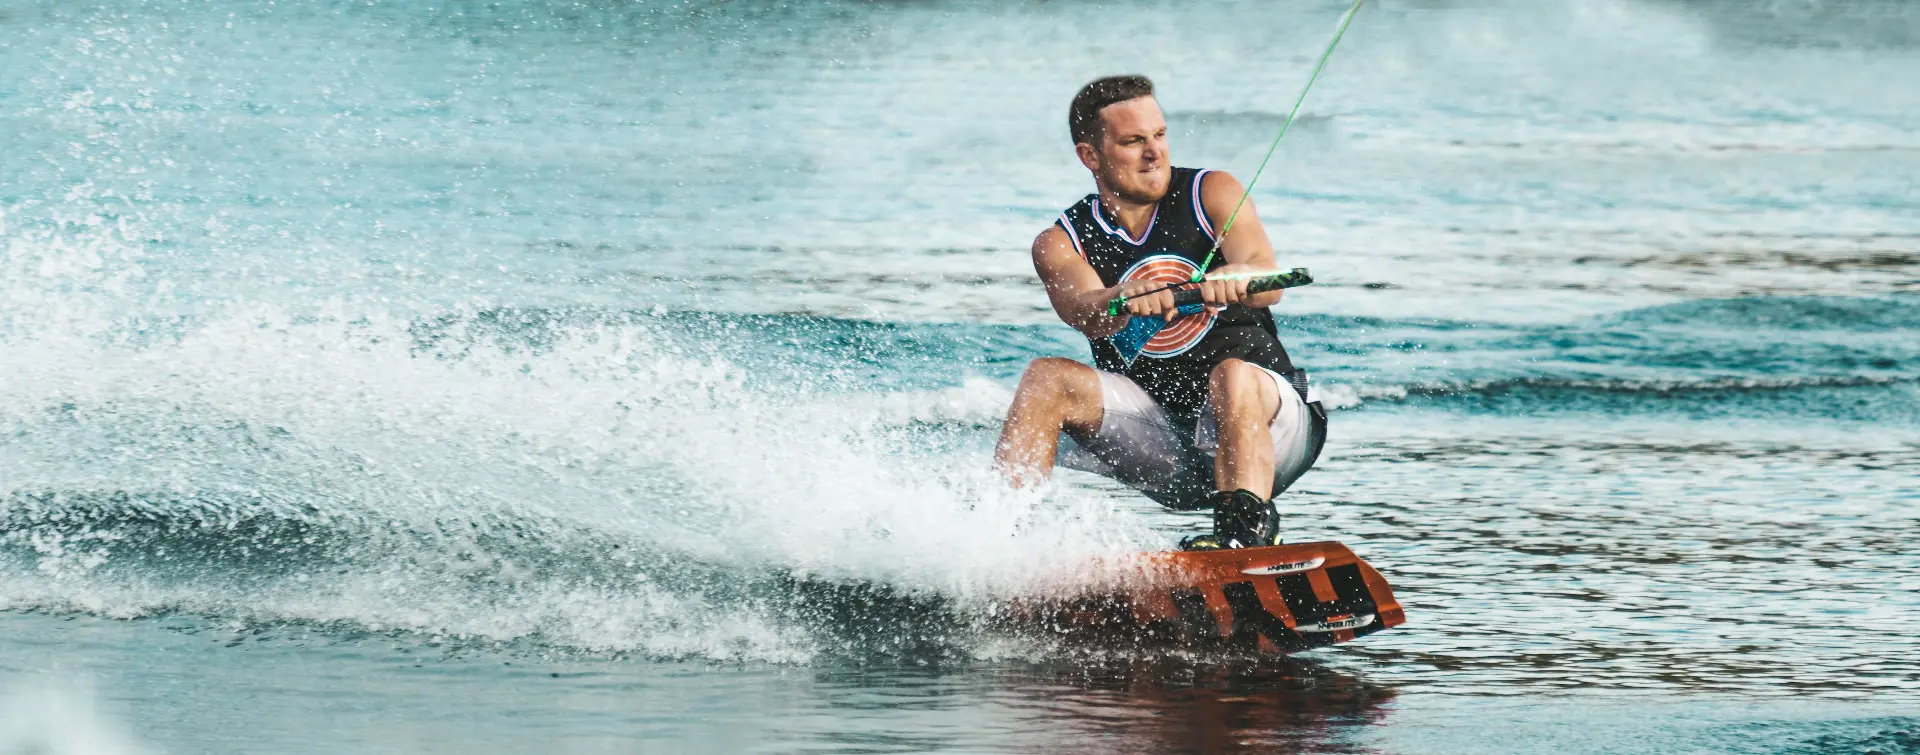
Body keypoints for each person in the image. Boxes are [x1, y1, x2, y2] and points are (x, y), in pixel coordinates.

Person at [995, 75, 1326, 551]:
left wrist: (1234, 277)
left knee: (1231, 374)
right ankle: (998, 543)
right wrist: (1123, 297)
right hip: (1167, 445)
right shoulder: (1061, 241)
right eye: (1133, 142)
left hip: (1273, 434)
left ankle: (1241, 539)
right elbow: (1084, 310)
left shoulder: (1211, 191)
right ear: (1091, 156)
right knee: (1046, 379)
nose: (1155, 153)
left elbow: (1263, 277)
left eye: (1160, 136)